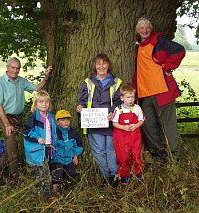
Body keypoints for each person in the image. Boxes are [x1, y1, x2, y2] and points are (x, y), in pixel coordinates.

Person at [132, 17, 186, 162]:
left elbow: (179, 50)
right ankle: (160, 155)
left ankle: (174, 156)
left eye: (147, 27)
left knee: (169, 125)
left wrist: (168, 67)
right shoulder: (137, 45)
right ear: (138, 30)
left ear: (151, 29)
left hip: (162, 91)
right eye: (141, 28)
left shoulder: (160, 41)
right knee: (146, 124)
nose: (144, 30)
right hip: (144, 93)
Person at [0, 57, 52, 182]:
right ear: (7, 67)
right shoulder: (0, 82)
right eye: (13, 67)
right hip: (4, 117)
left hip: (17, 118)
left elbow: (36, 88)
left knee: (7, 146)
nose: (15, 70)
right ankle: (15, 175)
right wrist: (7, 124)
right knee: (12, 140)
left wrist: (46, 77)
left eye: (18, 68)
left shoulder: (20, 81)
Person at [77, 53, 122, 187]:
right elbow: (82, 100)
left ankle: (114, 176)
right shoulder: (88, 82)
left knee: (111, 150)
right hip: (93, 122)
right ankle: (105, 176)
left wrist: (113, 111)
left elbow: (120, 101)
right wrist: (80, 106)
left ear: (109, 65)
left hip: (111, 122)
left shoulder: (117, 82)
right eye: (98, 64)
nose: (101, 66)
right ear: (94, 66)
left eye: (104, 63)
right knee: (98, 152)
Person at [22, 90, 57, 198]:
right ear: (36, 104)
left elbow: (52, 133)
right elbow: (26, 131)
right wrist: (37, 138)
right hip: (37, 150)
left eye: (46, 102)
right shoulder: (33, 117)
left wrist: (50, 144)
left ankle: (38, 195)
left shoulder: (51, 117)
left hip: (47, 148)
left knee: (44, 172)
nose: (44, 104)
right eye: (41, 102)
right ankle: (46, 197)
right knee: (43, 174)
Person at [113, 85, 144, 183]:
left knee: (136, 155)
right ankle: (124, 175)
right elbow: (114, 123)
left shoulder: (137, 108)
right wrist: (123, 127)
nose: (131, 100)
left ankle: (138, 173)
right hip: (121, 138)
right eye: (128, 97)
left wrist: (136, 125)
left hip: (135, 137)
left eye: (132, 97)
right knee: (123, 156)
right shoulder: (118, 109)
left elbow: (141, 120)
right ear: (122, 98)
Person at [50, 109, 83, 194]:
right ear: (57, 122)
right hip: (57, 159)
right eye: (62, 120)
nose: (66, 122)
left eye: (67, 120)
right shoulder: (54, 133)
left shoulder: (73, 133)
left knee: (73, 173)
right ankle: (54, 191)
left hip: (68, 158)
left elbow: (78, 145)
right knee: (57, 172)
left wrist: (75, 156)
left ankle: (68, 191)